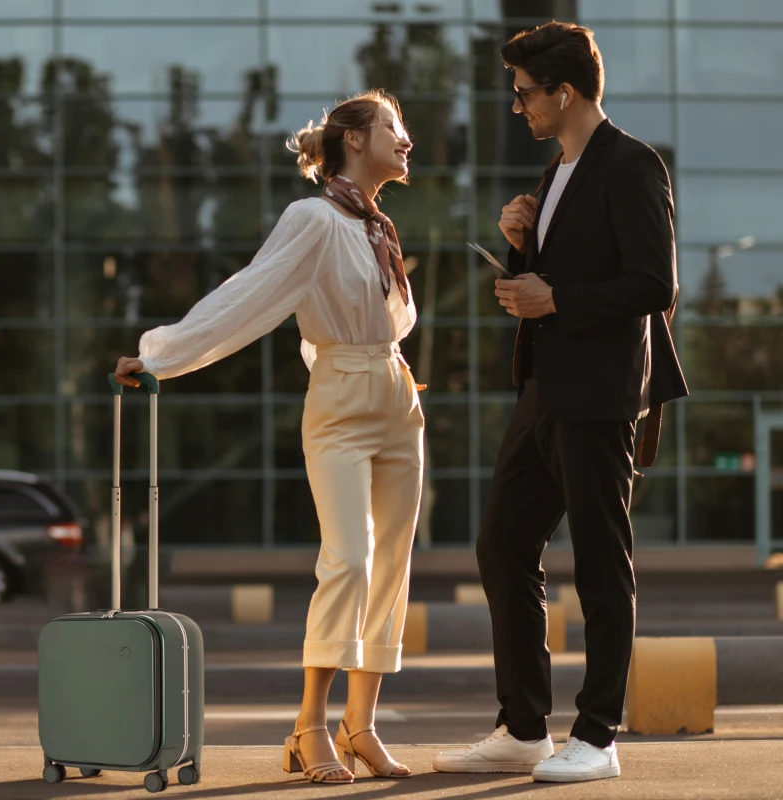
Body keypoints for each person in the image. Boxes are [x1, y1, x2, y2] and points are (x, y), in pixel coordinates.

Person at [113, 90, 424, 785]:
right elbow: (249, 293)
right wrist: (162, 355)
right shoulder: (313, 218)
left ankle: (361, 725)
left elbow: (389, 322)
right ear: (352, 138)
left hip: (398, 396)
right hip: (343, 401)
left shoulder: (380, 226)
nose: (408, 141)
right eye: (393, 129)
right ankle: (309, 725)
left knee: (392, 566)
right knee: (348, 558)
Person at [432, 21, 688, 784]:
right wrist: (520, 241)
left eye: (524, 93)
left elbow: (655, 286)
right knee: (503, 546)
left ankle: (599, 735)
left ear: (564, 91)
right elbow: (557, 279)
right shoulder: (559, 172)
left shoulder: (632, 164)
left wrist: (553, 297)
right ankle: (522, 727)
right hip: (544, 391)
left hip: (603, 396)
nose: (518, 107)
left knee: (603, 566)